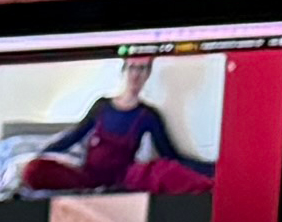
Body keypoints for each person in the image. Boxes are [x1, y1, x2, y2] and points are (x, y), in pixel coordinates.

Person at [15, 52, 212, 193]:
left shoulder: (148, 115)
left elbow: (171, 155)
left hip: (123, 178)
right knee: (33, 170)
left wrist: (211, 167)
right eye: (132, 68)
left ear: (147, 75)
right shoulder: (102, 105)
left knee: (165, 172)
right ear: (124, 71)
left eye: (142, 69)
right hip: (88, 177)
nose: (136, 75)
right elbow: (75, 135)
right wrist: (43, 152)